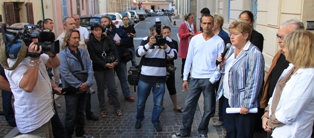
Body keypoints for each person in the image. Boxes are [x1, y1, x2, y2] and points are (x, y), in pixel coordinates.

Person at [172, 14, 224, 137]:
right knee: (189, 106)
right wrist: (185, 78)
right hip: (195, 78)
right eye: (204, 23)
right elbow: (188, 59)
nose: (207, 26)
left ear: (213, 24)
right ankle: (185, 130)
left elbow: (220, 64)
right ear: (200, 24)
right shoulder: (195, 39)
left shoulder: (219, 41)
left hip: (209, 80)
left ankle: (202, 130)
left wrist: (213, 78)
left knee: (208, 109)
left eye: (209, 23)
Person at [215, 19, 264, 138]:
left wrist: (247, 104)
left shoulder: (254, 54)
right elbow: (226, 72)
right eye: (231, 34)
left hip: (242, 104)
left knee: (242, 134)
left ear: (246, 35)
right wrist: (221, 65)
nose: (231, 37)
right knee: (230, 132)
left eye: (235, 34)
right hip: (228, 99)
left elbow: (254, 81)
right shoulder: (231, 49)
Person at [262, 30, 314, 138]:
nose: (282, 49)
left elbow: (290, 112)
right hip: (275, 128)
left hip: (291, 133)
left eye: (286, 46)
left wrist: (270, 122)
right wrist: (266, 115)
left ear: (298, 50)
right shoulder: (292, 67)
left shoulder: (308, 75)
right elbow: (276, 95)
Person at [4, 40, 60, 136]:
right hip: (33, 121)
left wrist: (52, 54)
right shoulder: (13, 62)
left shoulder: (37, 55)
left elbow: (54, 64)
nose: (36, 42)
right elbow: (27, 86)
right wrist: (34, 59)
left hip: (46, 114)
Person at [135, 24, 176, 132]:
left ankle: (155, 121)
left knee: (158, 104)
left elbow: (175, 54)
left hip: (160, 78)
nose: (158, 37)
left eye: (160, 34)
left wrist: (166, 47)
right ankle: (139, 119)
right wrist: (149, 44)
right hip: (145, 78)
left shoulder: (166, 40)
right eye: (155, 35)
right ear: (151, 34)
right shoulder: (146, 40)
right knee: (140, 102)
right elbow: (138, 53)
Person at [57, 17, 98, 121]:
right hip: (72, 85)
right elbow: (64, 71)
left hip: (84, 81)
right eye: (71, 24)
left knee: (82, 109)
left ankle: (82, 127)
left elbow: (89, 64)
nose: (74, 25)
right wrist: (79, 85)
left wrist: (88, 82)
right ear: (65, 26)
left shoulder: (81, 47)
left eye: (74, 23)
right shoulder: (60, 42)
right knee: (71, 113)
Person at [58, 29, 94, 138]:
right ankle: (68, 135)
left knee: (81, 113)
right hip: (72, 89)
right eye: (74, 38)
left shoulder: (83, 52)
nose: (77, 40)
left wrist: (88, 82)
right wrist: (79, 85)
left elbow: (90, 67)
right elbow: (65, 74)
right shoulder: (62, 55)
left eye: (78, 38)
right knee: (70, 115)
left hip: (85, 87)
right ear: (68, 39)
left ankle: (80, 134)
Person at [87, 23, 122, 118]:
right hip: (99, 68)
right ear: (92, 31)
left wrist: (116, 61)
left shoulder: (107, 39)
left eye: (99, 30)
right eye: (96, 30)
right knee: (101, 89)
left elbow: (114, 50)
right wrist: (104, 64)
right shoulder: (90, 43)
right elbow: (93, 57)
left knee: (112, 88)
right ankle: (102, 109)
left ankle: (117, 107)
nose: (98, 32)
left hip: (110, 66)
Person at [101, 16, 134, 103]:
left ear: (110, 22)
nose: (103, 23)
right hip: (108, 61)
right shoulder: (101, 33)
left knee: (123, 78)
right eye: (102, 22)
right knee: (110, 81)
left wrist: (121, 42)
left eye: (105, 21)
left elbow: (128, 41)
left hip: (120, 59)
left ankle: (127, 95)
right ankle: (111, 97)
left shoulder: (118, 31)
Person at [211, 13, 230, 126]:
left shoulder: (225, 36)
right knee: (213, 92)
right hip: (213, 68)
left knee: (220, 93)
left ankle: (221, 117)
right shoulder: (211, 35)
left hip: (221, 68)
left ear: (217, 23)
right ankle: (214, 112)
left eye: (213, 22)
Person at [161, 25, 183, 112]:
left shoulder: (174, 42)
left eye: (168, 32)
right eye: (164, 33)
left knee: (172, 87)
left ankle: (175, 105)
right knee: (161, 88)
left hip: (170, 68)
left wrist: (171, 56)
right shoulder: (160, 42)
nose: (166, 34)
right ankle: (161, 104)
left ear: (170, 32)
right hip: (161, 68)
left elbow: (175, 55)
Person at [178, 13, 197, 79]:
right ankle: (183, 75)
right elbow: (181, 35)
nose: (193, 19)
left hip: (192, 44)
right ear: (188, 19)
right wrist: (187, 34)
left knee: (192, 60)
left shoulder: (193, 25)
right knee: (185, 60)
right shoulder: (183, 25)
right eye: (192, 18)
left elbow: (195, 33)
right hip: (185, 45)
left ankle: (190, 74)